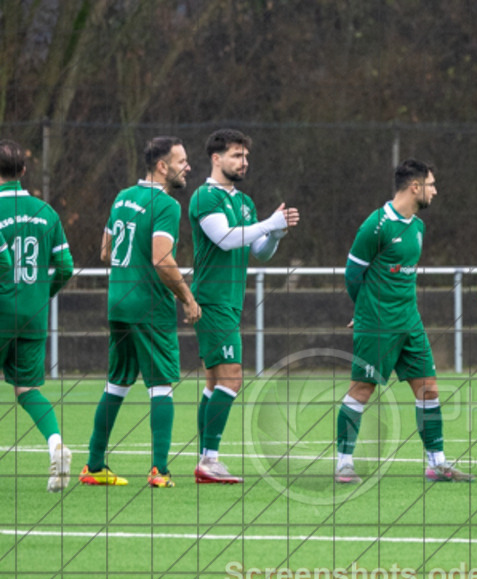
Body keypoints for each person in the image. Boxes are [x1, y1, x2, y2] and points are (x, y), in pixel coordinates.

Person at [337, 160, 473, 484]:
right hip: (378, 323)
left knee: (428, 389)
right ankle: (343, 463)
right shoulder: (376, 224)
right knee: (362, 388)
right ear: (415, 187)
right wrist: (365, 312)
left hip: (410, 322)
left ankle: (437, 463)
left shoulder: (418, 226)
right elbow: (353, 274)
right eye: (432, 184)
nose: (435, 191)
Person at [82, 137, 202, 488]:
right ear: (162, 167)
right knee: (161, 385)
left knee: (117, 383)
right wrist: (187, 298)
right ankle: (159, 470)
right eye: (181, 161)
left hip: (118, 301)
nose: (188, 167)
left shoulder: (123, 197)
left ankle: (93, 465)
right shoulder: (165, 204)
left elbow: (106, 252)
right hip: (149, 305)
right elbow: (162, 260)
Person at [191, 129, 300, 484]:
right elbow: (224, 239)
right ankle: (210, 459)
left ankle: (206, 459)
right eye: (237, 155)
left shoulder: (245, 201)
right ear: (216, 158)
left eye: (246, 156)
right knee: (232, 378)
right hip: (211, 299)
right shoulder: (204, 197)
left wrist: (275, 236)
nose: (244, 162)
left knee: (213, 382)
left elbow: (258, 251)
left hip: (230, 301)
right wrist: (268, 223)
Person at [0, 139, 75, 492]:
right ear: (24, 171)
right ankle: (56, 443)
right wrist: (41, 295)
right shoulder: (47, 212)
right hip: (33, 313)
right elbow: (65, 266)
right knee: (27, 388)